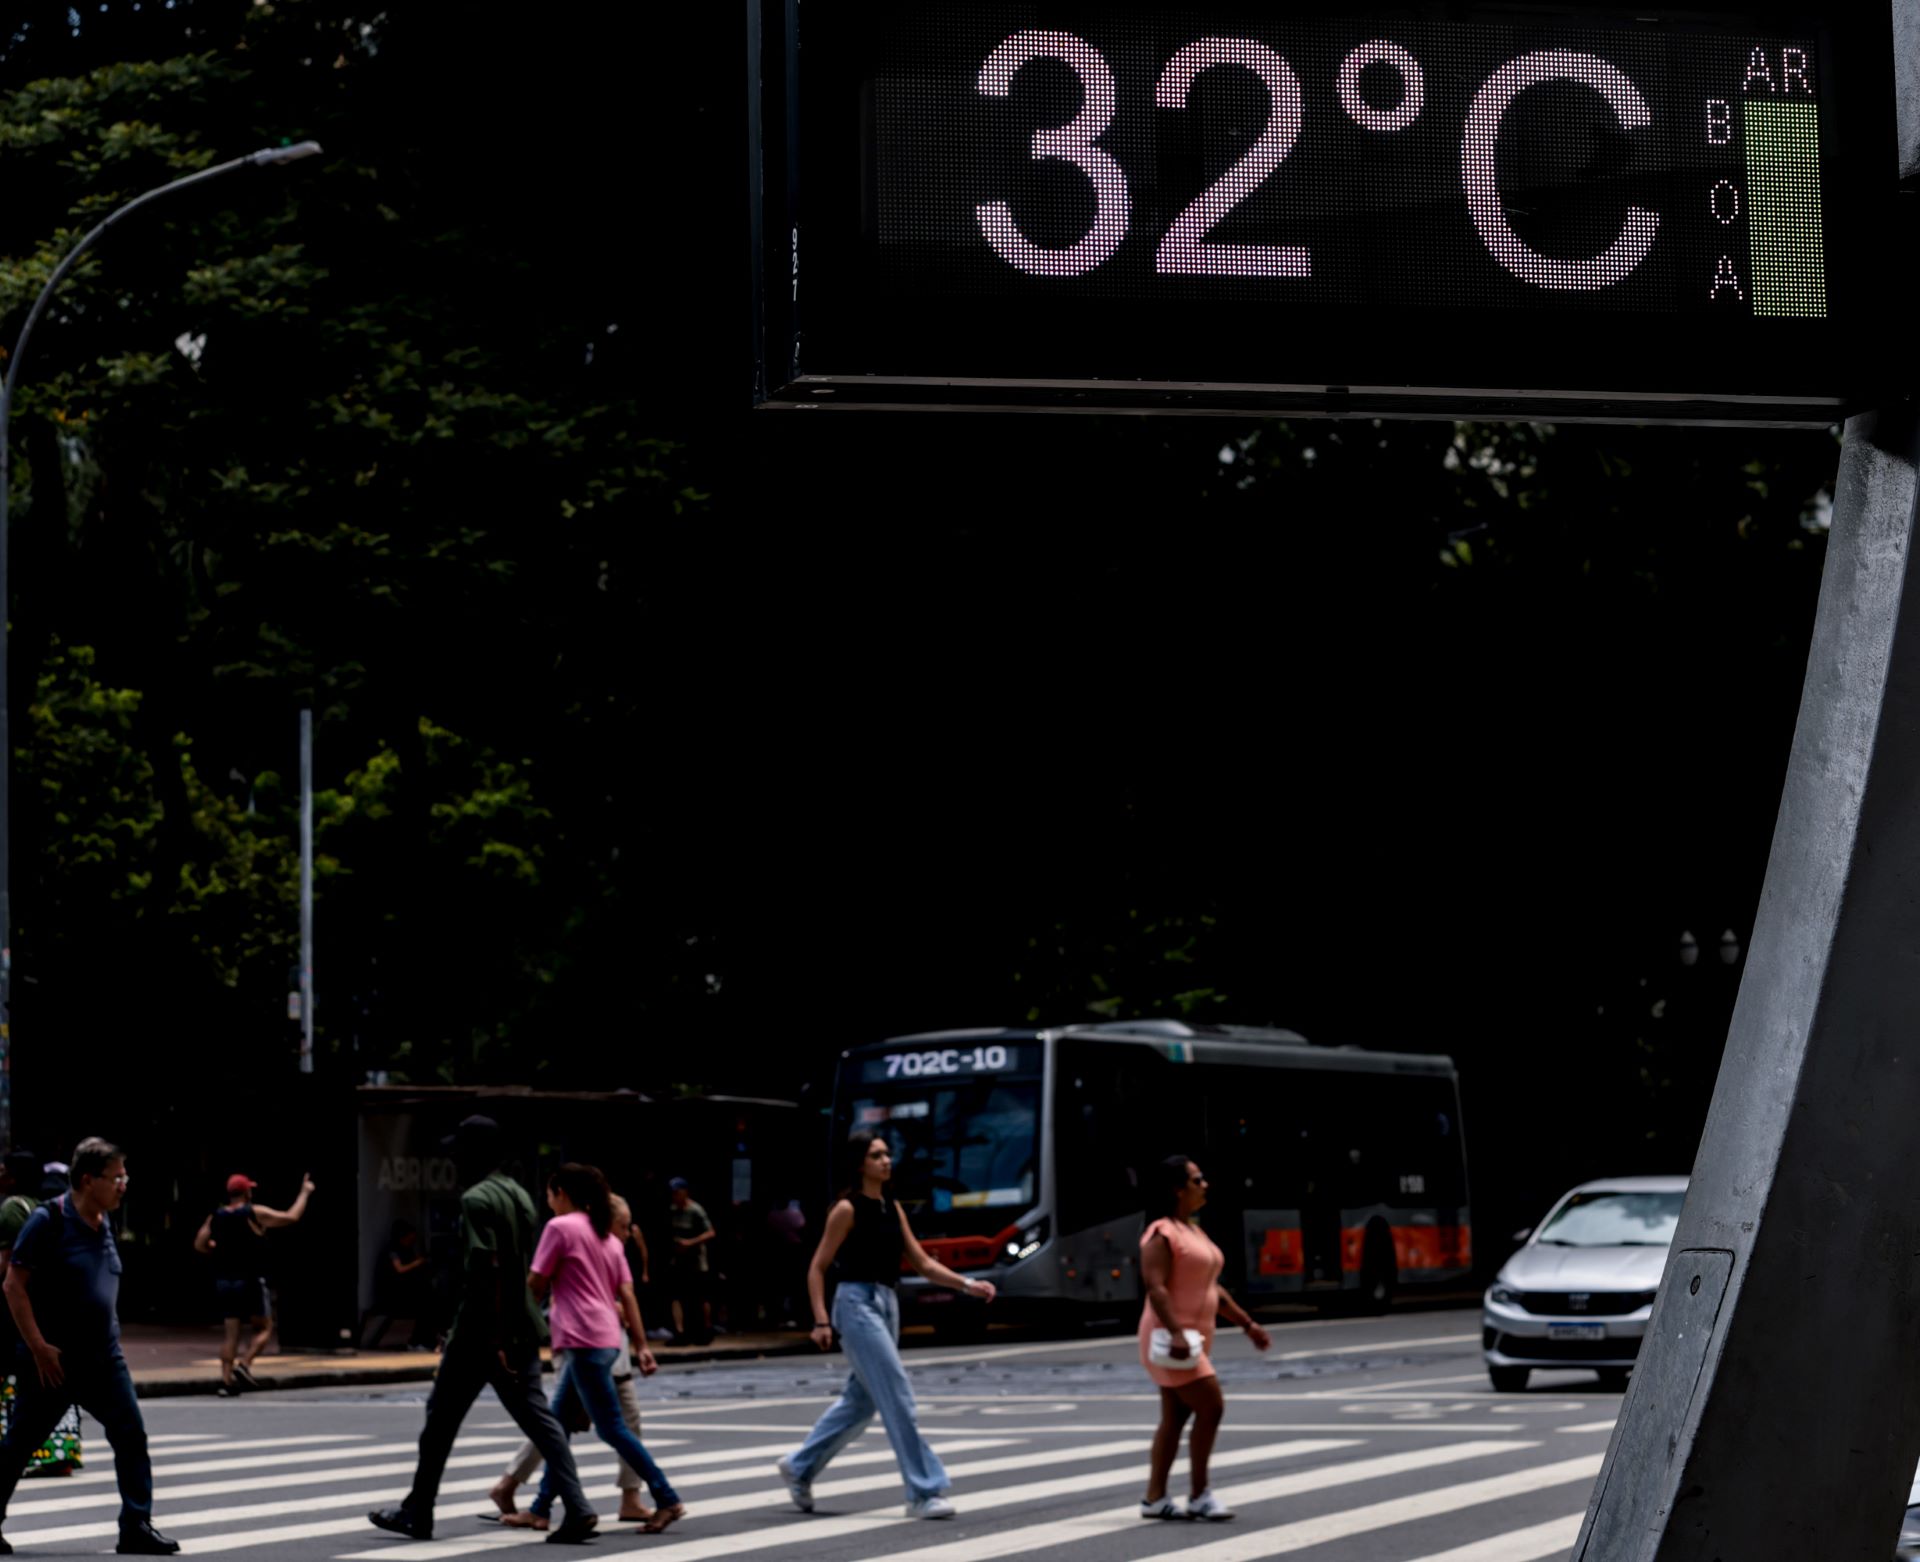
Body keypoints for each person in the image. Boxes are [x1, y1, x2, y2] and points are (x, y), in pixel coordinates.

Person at [366, 1116, 597, 1545]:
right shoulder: (520, 1196)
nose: (454, 1155)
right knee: (540, 1420)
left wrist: (491, 1338)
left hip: (483, 1334)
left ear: (473, 1152)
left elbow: (486, 1272)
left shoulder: (476, 1199)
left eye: (460, 1148)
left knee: (440, 1421)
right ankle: (578, 1506)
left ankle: (419, 1511)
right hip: (519, 1325)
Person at [776, 1129, 995, 1521]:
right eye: (877, 1155)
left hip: (887, 1304)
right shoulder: (846, 1209)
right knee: (897, 1396)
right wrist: (821, 1320)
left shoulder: (891, 1206)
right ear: (860, 1163)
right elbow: (818, 1267)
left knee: (860, 1403)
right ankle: (924, 1491)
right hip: (855, 1305)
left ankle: (800, 1466)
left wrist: (967, 1285)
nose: (886, 1160)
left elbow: (923, 1263)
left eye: (887, 1154)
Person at [0, 1138, 177, 1555]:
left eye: (124, 1176)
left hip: (104, 1359)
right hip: (54, 1361)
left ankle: (135, 1525)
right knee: (19, 1446)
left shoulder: (104, 1221)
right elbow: (13, 1285)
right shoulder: (49, 1220)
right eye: (116, 1177)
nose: (122, 1185)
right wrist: (39, 1346)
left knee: (131, 1434)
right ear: (87, 1179)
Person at [494, 1170, 684, 1534]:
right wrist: (642, 1346)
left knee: (611, 1427)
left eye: (549, 1195)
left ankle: (667, 1496)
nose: (548, 1203)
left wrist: (511, 1333)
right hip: (607, 1340)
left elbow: (535, 1283)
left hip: (581, 1339)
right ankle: (539, 1508)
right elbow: (625, 1294)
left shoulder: (561, 1228)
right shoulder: (608, 1238)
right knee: (558, 1426)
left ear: (560, 1193)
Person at [1137, 1154, 1271, 1522]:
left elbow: (1213, 1289)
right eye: (1197, 1180)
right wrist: (1176, 1331)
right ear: (1178, 1189)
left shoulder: (1192, 1231)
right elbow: (1156, 1288)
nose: (1205, 1185)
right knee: (1211, 1405)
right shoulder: (1161, 1233)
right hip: (1172, 1339)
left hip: (1193, 1337)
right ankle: (1199, 1494)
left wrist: (1247, 1324)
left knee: (1175, 1417)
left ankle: (1155, 1498)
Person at [193, 1171, 315, 1396]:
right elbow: (291, 1217)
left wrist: (216, 1248)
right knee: (265, 1327)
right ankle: (245, 1364)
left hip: (224, 1281)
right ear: (247, 1192)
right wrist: (304, 1193)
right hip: (250, 1279)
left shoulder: (216, 1216)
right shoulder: (253, 1213)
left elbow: (200, 1243)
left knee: (231, 1334)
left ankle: (226, 1380)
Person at [0, 1153, 81, 1481]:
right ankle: (58, 1451)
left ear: (14, 1178)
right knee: (52, 1384)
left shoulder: (11, 1209)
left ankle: (12, 1455)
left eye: (3, 1170)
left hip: (16, 1311)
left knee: (17, 1386)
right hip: (52, 1313)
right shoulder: (52, 1208)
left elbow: (6, 1267)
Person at [360, 1220, 436, 1351]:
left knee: (429, 1303)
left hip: (404, 1292)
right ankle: (416, 1341)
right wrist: (417, 1263)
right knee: (424, 1306)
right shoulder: (393, 1250)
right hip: (392, 1296)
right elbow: (400, 1269)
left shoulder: (407, 1250)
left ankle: (424, 1340)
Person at [666, 1178, 713, 1344]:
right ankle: (680, 1332)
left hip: (697, 1261)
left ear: (685, 1192)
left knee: (700, 1297)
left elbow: (710, 1233)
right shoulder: (672, 1210)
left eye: (677, 1192)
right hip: (679, 1261)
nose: (675, 1196)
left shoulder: (696, 1210)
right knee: (677, 1296)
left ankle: (706, 1330)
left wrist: (690, 1243)